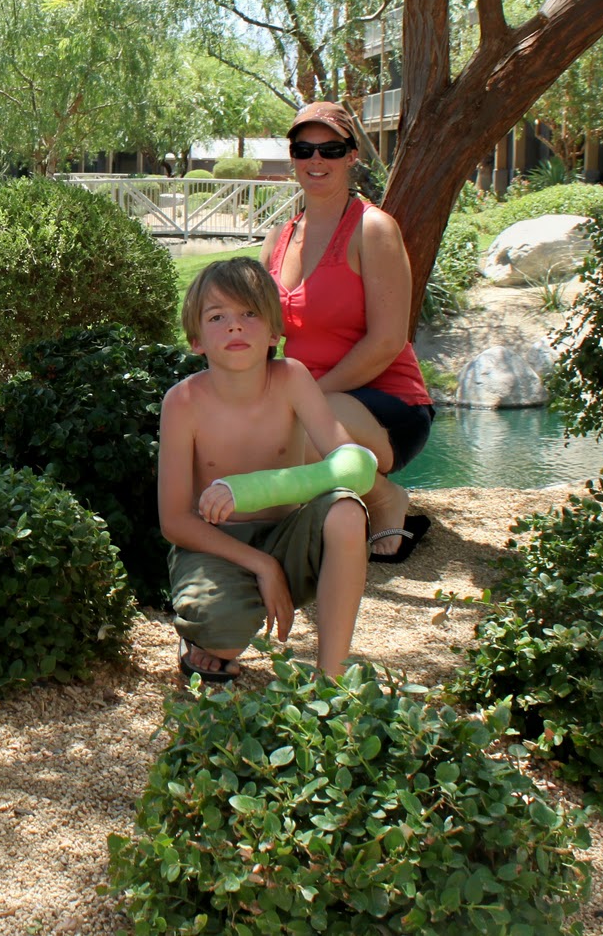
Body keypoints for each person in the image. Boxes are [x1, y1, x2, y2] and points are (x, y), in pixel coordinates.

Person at [158, 258, 369, 682]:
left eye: (249, 313)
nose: (235, 326)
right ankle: (205, 637)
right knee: (221, 641)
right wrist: (263, 565)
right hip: (217, 546)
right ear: (196, 340)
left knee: (347, 511)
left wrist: (250, 489)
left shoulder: (292, 379)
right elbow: (175, 521)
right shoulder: (182, 403)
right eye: (217, 317)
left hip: (288, 537)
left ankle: (331, 681)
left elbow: (358, 466)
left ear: (274, 332)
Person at [262, 101, 436, 564]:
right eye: (304, 150)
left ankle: (384, 497)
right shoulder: (278, 239)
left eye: (331, 149)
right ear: (293, 157)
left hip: (387, 408)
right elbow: (262, 333)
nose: (316, 160)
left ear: (351, 155)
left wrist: (305, 397)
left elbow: (387, 342)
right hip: (313, 401)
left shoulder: (373, 229)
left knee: (293, 431)